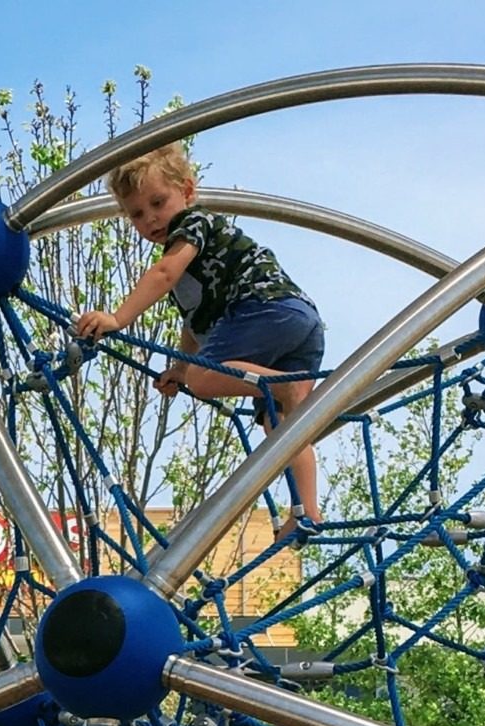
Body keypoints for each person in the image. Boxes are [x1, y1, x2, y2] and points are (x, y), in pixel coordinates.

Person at [73, 144, 326, 537]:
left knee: (204, 379)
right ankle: (307, 512)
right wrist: (177, 366)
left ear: (187, 192)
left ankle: (286, 385)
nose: (151, 218)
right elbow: (194, 326)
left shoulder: (193, 224)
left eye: (158, 202)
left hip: (262, 307)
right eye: (137, 214)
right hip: (298, 319)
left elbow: (164, 273)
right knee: (282, 428)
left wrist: (118, 318)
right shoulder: (193, 263)